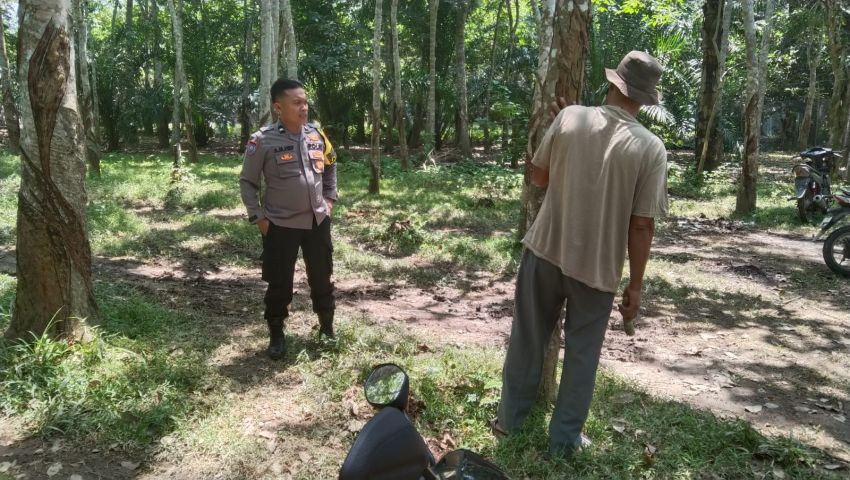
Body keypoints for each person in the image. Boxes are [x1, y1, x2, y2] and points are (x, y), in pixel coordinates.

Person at [494, 51, 668, 457]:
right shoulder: (650, 148)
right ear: (643, 99)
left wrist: (565, 135)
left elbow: (538, 177)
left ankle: (509, 420)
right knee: (582, 357)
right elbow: (642, 224)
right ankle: (564, 441)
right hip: (597, 270)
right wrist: (636, 287)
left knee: (527, 339)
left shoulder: (570, 116)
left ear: (613, 83)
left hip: (545, 250)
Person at [239, 78, 338, 360]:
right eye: (296, 102)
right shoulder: (262, 140)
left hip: (317, 222)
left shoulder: (316, 135)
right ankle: (276, 333)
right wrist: (258, 217)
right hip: (280, 225)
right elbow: (247, 182)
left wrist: (329, 200)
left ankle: (327, 328)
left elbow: (331, 166)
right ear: (278, 107)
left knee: (322, 277)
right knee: (279, 282)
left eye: (305, 101)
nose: (303, 107)